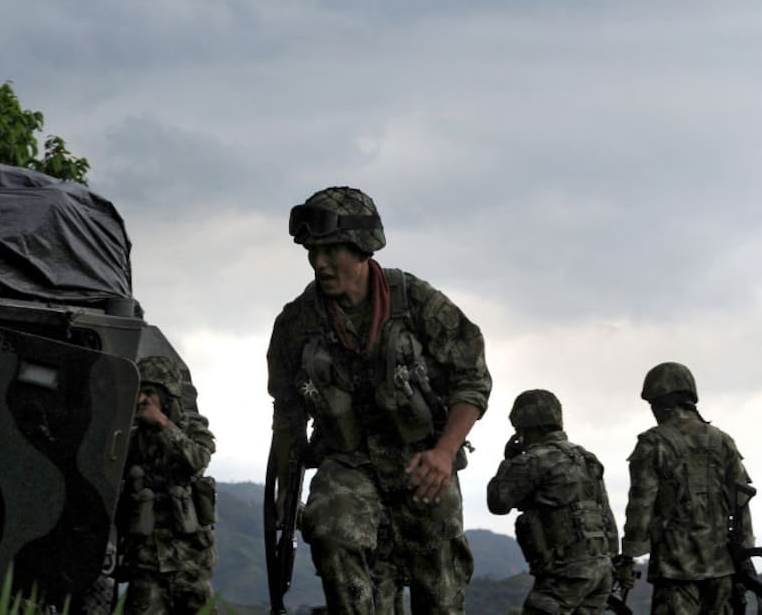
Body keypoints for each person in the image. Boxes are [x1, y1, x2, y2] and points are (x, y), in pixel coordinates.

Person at [267, 186, 491, 614]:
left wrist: (444, 454)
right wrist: (286, 486)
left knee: (440, 593)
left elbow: (472, 380)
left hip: (421, 463)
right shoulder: (296, 324)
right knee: (330, 528)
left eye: (332, 250)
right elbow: (288, 415)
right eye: (313, 251)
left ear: (363, 248)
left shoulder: (417, 302)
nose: (319, 263)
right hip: (347, 461)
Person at [620, 361, 756, 614]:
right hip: (722, 568)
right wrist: (745, 553)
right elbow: (741, 503)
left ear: (660, 401)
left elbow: (641, 506)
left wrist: (628, 559)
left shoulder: (652, 444)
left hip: (675, 569)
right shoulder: (722, 440)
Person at [487, 389, 619, 614]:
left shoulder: (535, 460)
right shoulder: (586, 459)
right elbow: (605, 514)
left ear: (526, 426)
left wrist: (510, 460)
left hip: (566, 574)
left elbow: (498, 502)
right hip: (601, 570)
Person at [115, 355, 218, 614]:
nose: (142, 400)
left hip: (190, 562)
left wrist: (162, 424)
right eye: (139, 392)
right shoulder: (130, 439)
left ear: (168, 395)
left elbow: (197, 460)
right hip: (147, 563)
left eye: (149, 392)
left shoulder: (194, 430)